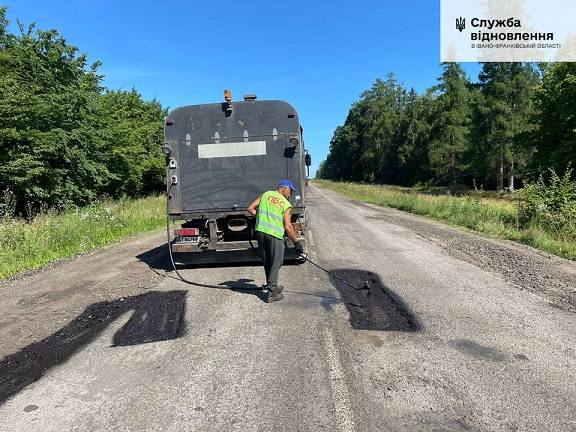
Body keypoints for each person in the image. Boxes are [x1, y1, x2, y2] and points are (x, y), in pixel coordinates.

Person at [247, 179, 304, 302]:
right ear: (283, 188)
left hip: (261, 232)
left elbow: (251, 208)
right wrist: (296, 242)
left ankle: (272, 285)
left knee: (268, 260)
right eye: (290, 190)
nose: (291, 194)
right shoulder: (285, 204)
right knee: (276, 262)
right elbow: (288, 227)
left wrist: (263, 218)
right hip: (274, 235)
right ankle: (272, 292)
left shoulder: (265, 195)